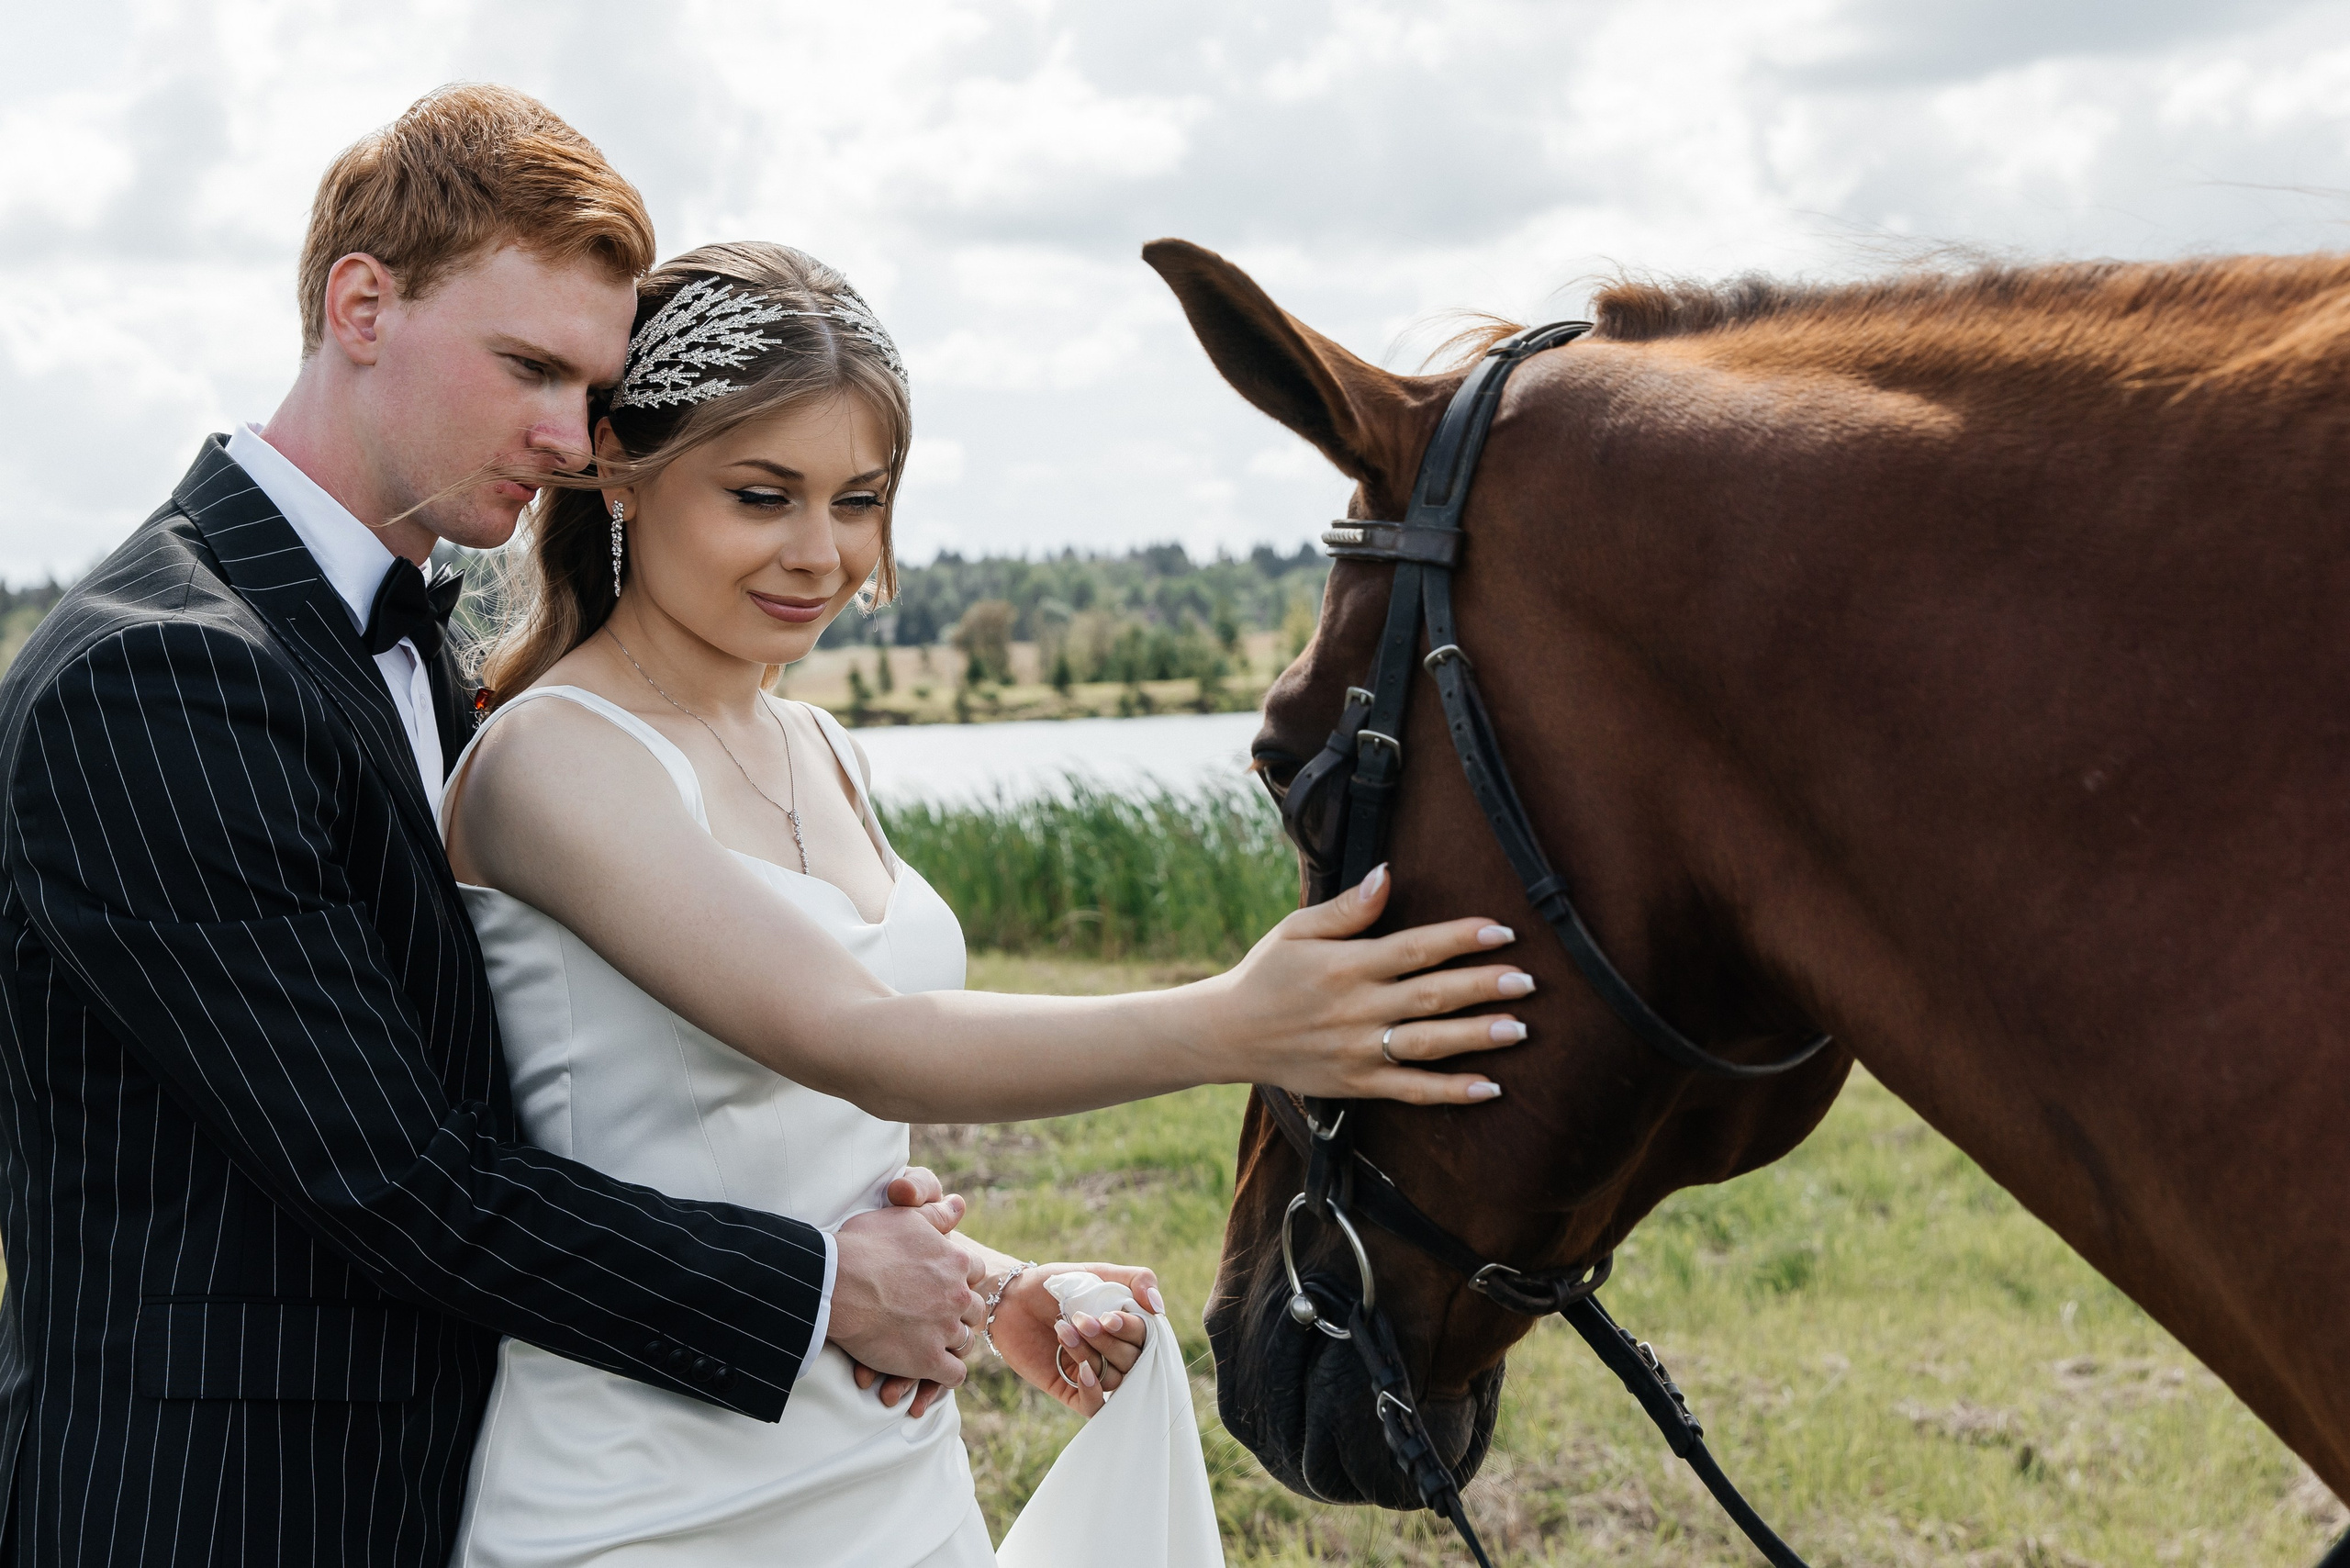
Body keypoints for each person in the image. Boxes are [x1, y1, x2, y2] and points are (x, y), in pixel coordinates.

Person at [0, 87, 1528, 1568]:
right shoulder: (167, 673)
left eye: (590, 390)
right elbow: (399, 1175)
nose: (560, 433)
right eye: (529, 369)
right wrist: (826, 1290)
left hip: (726, 1452)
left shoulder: (440, 672)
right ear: (360, 305)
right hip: (234, 1494)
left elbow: (591, 1097)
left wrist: (968, 1276)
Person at [437, 241, 1535, 1567]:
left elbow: (798, 1149)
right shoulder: (555, 758)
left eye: (859, 499)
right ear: (618, 464)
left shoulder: (822, 746)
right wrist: (1241, 1024)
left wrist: (999, 1286)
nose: (819, 553)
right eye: (760, 494)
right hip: (647, 1504)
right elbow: (855, 1033)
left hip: (888, 1470)